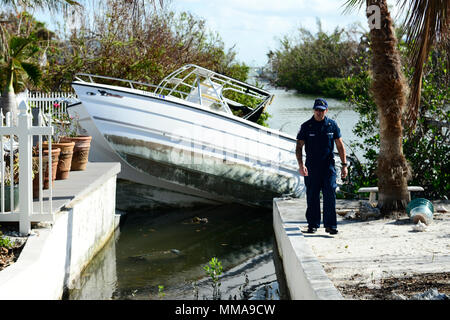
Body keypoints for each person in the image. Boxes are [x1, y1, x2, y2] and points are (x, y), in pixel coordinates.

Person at [295, 98, 348, 235]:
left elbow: (340, 146)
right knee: (312, 196)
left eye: (322, 110)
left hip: (328, 166)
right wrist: (301, 165)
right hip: (311, 166)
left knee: (330, 194)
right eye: (317, 110)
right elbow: (299, 147)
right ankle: (313, 224)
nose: (319, 112)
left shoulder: (332, 125)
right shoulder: (306, 126)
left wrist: (344, 165)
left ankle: (330, 225)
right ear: (314, 110)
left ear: (326, 110)